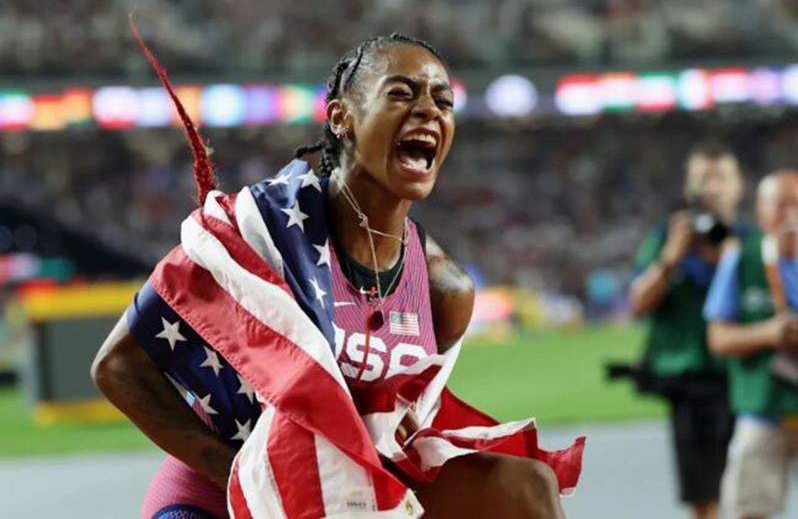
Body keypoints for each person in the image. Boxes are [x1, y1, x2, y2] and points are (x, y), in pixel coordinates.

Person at [92, 32, 583, 519]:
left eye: (443, 101)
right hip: (221, 498)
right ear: (341, 117)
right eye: (401, 93)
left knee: (527, 488)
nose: (429, 110)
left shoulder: (443, 288)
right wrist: (245, 478)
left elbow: (404, 435)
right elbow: (118, 366)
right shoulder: (258, 231)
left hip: (346, 502)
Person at [629, 142, 744, 519]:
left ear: (737, 186)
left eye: (720, 179)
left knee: (749, 486)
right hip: (691, 382)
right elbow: (638, 303)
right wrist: (669, 261)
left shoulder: (751, 242)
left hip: (747, 379)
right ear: (688, 187)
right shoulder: (669, 237)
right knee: (703, 494)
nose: (710, 189)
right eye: (701, 180)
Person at [704, 170, 798, 519]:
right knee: (751, 511)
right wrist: (769, 334)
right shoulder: (740, 260)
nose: (789, 213)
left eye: (796, 204)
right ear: (760, 214)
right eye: (780, 204)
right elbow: (718, 338)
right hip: (763, 408)